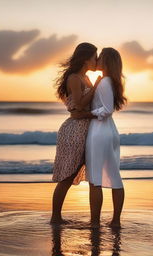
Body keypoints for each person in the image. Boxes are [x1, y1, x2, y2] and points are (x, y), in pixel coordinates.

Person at [71, 47, 127, 228]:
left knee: (95, 180)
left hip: (99, 132)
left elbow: (107, 109)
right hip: (109, 131)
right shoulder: (110, 81)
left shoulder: (104, 82)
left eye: (100, 57)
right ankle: (115, 221)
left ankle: (95, 222)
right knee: (114, 176)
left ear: (107, 61)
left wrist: (89, 113)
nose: (97, 60)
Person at [50, 42, 100, 225]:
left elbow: (84, 107)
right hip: (74, 131)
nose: (97, 61)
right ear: (86, 58)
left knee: (92, 175)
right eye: (95, 57)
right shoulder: (74, 78)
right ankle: (55, 217)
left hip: (85, 129)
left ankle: (94, 219)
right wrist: (95, 89)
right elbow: (78, 105)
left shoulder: (85, 78)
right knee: (68, 176)